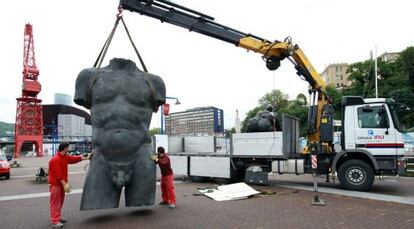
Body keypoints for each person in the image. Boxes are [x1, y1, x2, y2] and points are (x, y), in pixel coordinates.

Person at [48, 142, 89, 228]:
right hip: (56, 184)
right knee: (55, 202)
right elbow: (58, 174)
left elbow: (73, 159)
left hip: (61, 184)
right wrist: (65, 184)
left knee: (60, 202)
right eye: (68, 147)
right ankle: (55, 221)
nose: (69, 148)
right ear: (65, 148)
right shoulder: (56, 159)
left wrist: (87, 158)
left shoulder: (64, 157)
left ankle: (57, 217)